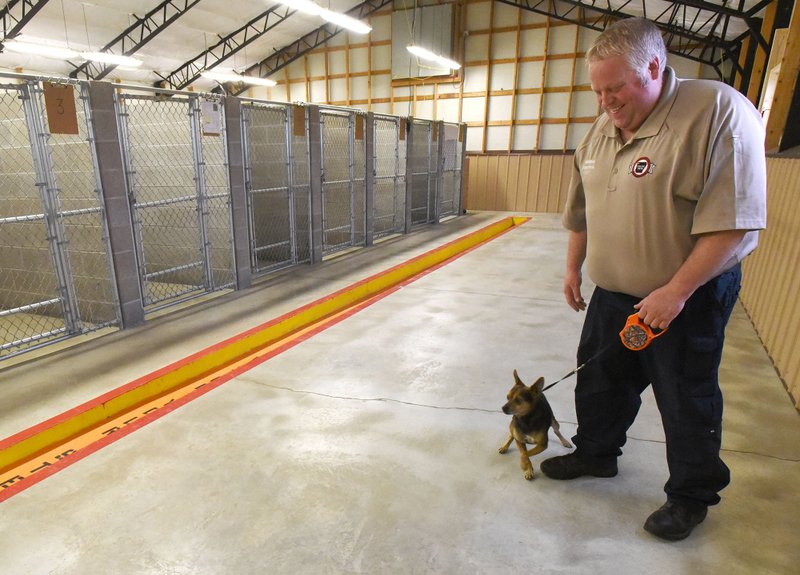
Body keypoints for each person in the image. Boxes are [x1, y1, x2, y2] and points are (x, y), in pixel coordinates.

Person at [540, 17, 767, 541]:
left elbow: (734, 224)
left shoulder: (716, 111)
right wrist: (574, 268)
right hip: (612, 292)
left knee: (684, 395)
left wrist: (676, 291)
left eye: (616, 87)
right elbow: (582, 212)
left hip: (686, 297)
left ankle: (690, 495)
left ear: (655, 67)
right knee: (600, 383)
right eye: (598, 90)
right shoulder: (600, 127)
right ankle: (597, 454)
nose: (606, 102)